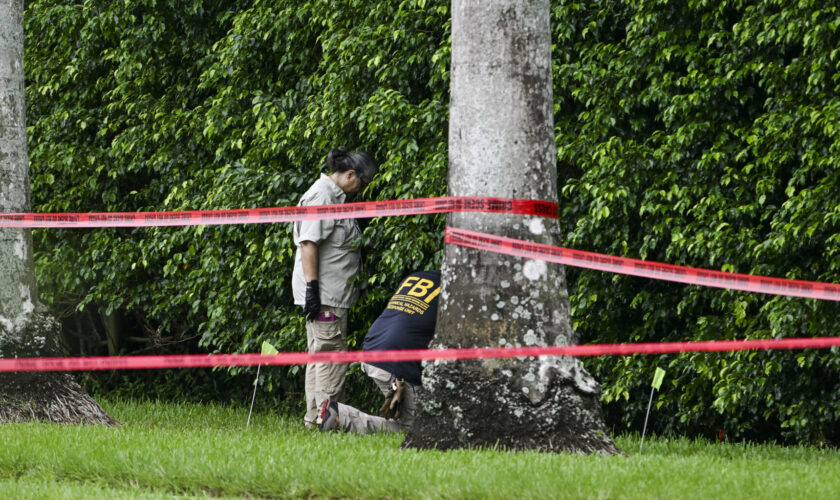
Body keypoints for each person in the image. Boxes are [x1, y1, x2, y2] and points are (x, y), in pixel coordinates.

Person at [292, 147, 379, 428]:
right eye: (362, 184)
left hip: (330, 294)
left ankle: (315, 418)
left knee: (319, 355)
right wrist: (312, 289)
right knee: (331, 357)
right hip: (326, 296)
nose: (361, 190)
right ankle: (329, 422)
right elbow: (308, 243)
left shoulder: (336, 198)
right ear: (350, 174)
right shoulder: (324, 196)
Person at [318, 270, 441, 434]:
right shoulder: (457, 292)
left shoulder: (417, 277)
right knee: (417, 430)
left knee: (417, 417)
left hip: (374, 348)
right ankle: (341, 417)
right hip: (396, 362)